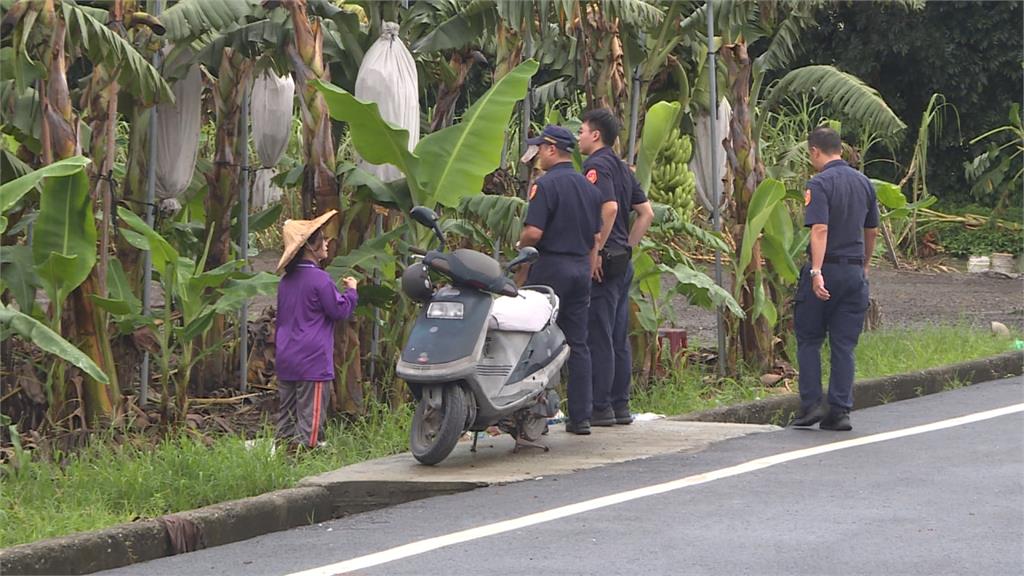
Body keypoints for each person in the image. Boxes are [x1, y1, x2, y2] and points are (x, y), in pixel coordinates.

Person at [518, 125, 616, 435]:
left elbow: (534, 233)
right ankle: (581, 417)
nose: (537, 157)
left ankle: (533, 415)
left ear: (550, 149)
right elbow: (596, 238)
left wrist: (519, 247)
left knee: (536, 341)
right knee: (578, 342)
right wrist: (587, 270)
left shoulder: (544, 186)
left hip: (549, 270)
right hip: (579, 269)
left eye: (540, 150)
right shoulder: (590, 189)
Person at [791, 126, 878, 432]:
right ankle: (840, 411)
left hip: (826, 268)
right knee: (843, 344)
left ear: (815, 151)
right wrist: (864, 266)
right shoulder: (864, 183)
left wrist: (816, 271)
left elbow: (819, 229)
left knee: (810, 339)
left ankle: (811, 404)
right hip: (854, 272)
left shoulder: (819, 183)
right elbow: (871, 231)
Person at [577, 108, 655, 427]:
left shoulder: (596, 166)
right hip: (621, 262)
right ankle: (621, 404)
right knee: (618, 334)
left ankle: (601, 406)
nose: (578, 136)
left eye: (582, 130)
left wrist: (596, 251)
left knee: (599, 334)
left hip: (604, 264)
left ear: (596, 135)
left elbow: (607, 208)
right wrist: (628, 248)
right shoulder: (622, 167)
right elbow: (646, 213)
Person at [275, 210, 359, 449]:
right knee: (310, 419)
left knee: (287, 415)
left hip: (286, 355)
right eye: (322, 239)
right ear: (310, 247)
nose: (326, 243)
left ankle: (283, 458)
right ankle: (305, 456)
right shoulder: (320, 279)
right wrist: (352, 291)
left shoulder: (285, 282)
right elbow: (339, 311)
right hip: (311, 358)